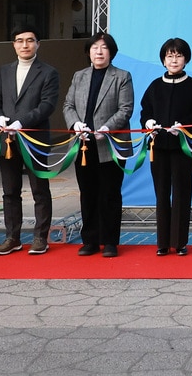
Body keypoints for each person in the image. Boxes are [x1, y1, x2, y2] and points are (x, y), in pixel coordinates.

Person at [0, 27, 60, 256]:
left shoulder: (48, 72)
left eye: (30, 40)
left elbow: (47, 106)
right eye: (20, 41)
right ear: (14, 45)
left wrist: (21, 122)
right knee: (10, 191)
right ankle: (12, 237)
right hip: (7, 140)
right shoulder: (5, 71)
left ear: (38, 44)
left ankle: (40, 237)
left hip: (34, 139)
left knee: (40, 189)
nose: (25, 45)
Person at [63, 31, 134, 257]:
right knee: (88, 193)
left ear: (111, 52)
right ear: (88, 52)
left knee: (110, 193)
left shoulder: (122, 76)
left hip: (110, 143)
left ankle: (110, 241)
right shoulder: (79, 76)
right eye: (95, 48)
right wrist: (75, 124)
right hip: (83, 144)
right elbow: (68, 105)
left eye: (104, 48)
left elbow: (125, 108)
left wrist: (107, 128)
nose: (99, 52)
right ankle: (90, 240)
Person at [140, 37, 192, 256]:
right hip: (158, 148)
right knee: (161, 194)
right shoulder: (155, 85)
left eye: (178, 55)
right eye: (170, 55)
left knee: (181, 193)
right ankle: (162, 242)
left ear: (186, 59)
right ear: (163, 59)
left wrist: (183, 126)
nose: (174, 60)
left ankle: (179, 242)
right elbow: (145, 110)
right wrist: (148, 122)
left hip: (182, 148)